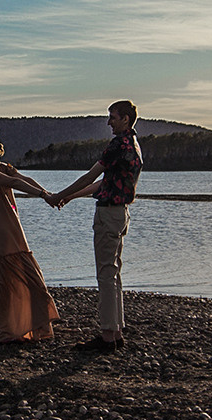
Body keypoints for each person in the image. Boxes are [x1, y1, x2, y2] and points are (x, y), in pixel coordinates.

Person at [48, 100, 142, 350]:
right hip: (121, 214)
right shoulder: (134, 145)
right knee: (114, 272)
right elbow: (105, 183)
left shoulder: (117, 145)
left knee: (106, 274)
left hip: (109, 214)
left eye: (113, 117)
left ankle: (108, 335)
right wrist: (71, 197)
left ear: (125, 119)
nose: (109, 122)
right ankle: (116, 330)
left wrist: (58, 195)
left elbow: (91, 176)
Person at [0, 124, 60, 344]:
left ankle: (32, 324)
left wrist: (48, 193)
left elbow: (22, 178)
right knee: (4, 275)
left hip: (10, 223)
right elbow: (13, 182)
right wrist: (43, 195)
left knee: (26, 270)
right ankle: (5, 330)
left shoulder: (0, 166)